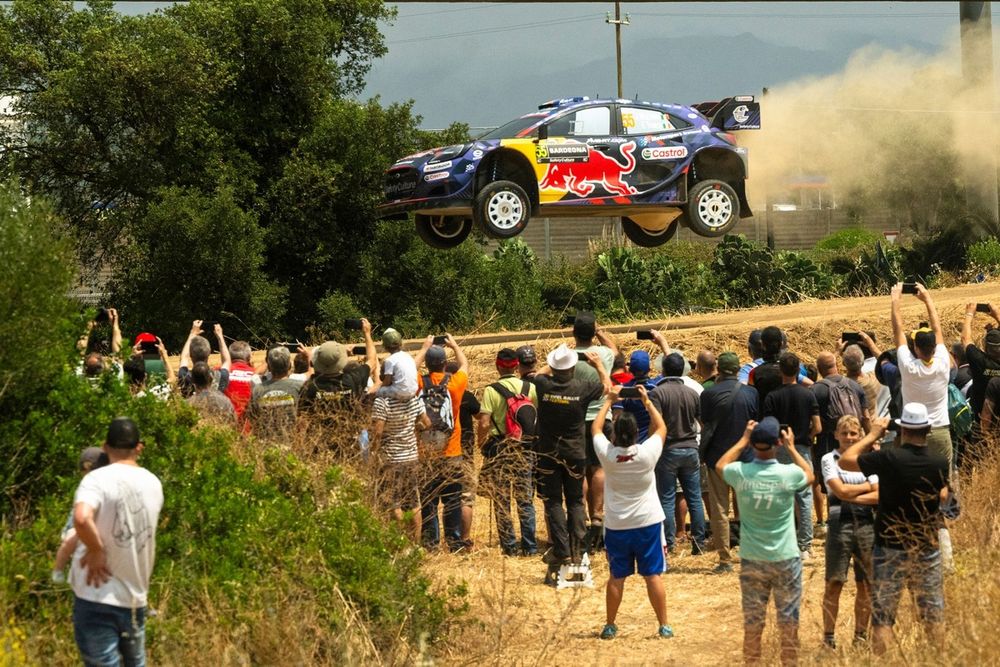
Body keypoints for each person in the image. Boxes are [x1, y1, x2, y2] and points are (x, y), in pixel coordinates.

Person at [839, 404, 949, 655]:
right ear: (928, 429)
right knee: (933, 613)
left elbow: (846, 460)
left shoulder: (889, 458)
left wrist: (872, 434)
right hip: (926, 546)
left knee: (884, 616)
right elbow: (944, 496)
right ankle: (939, 660)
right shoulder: (939, 461)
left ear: (902, 430)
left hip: (890, 545)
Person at [717, 417, 813, 666]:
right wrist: (792, 448)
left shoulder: (741, 473)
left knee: (753, 623)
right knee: (789, 623)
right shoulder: (788, 474)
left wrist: (743, 439)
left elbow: (721, 465)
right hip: (786, 557)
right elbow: (809, 476)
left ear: (754, 444)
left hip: (753, 558)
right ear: (778, 443)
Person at [70, 417, 163, 667]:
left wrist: (96, 549)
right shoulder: (154, 483)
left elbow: (80, 517)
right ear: (139, 447)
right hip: (135, 598)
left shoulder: (96, 480)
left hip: (95, 595)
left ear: (105, 446)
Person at [592, 386, 673, 640]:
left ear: (614, 433)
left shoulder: (608, 456)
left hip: (617, 524)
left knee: (616, 577)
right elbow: (661, 429)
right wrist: (647, 402)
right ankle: (663, 625)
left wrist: (609, 401)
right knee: (652, 576)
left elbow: (595, 429)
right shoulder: (647, 454)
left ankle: (610, 624)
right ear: (636, 433)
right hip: (647, 522)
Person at [533, 344, 608, 568]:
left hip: (548, 453)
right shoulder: (582, 388)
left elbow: (539, 373)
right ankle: (578, 551)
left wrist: (556, 361)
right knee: (575, 501)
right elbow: (607, 387)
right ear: (573, 368)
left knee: (553, 501)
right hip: (575, 452)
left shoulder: (542, 384)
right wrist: (598, 365)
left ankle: (561, 550)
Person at [820, 415, 882, 650]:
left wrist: (850, 492)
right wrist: (866, 487)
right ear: (836, 435)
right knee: (834, 582)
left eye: (853, 434)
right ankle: (828, 638)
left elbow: (878, 495)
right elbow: (837, 491)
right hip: (839, 525)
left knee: (865, 584)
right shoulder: (829, 459)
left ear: (860, 436)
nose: (848, 437)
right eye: (844, 433)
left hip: (867, 525)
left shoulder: (869, 459)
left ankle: (860, 637)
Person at [699, 351, 759, 573]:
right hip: (745, 458)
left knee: (720, 509)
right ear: (737, 369)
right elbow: (755, 421)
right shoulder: (751, 393)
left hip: (718, 460)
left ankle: (725, 560)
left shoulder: (708, 394)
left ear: (719, 370)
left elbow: (704, 423)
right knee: (746, 508)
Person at [477, 348, 539, 556]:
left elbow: (484, 423)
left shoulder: (491, 390)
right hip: (525, 448)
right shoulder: (529, 387)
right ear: (516, 366)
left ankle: (510, 547)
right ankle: (530, 547)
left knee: (502, 499)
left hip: (499, 448)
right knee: (525, 499)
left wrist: (481, 443)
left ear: (497, 365)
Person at [763, 352, 821, 559]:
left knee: (780, 498)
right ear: (799, 371)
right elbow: (818, 426)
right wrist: (807, 436)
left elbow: (769, 427)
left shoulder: (772, 396)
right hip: (802, 449)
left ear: (781, 371)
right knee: (804, 498)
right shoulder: (808, 394)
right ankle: (805, 545)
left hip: (779, 450)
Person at [648, 351, 706, 557]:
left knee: (667, 497)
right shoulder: (692, 393)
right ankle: (699, 543)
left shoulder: (657, 393)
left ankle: (669, 544)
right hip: (691, 448)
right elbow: (702, 423)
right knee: (695, 498)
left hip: (668, 449)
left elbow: (656, 424)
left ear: (663, 370)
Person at [414, 335, 469, 551]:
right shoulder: (454, 384)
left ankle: (431, 544)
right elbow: (464, 364)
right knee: (453, 500)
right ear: (445, 364)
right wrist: (454, 345)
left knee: (428, 501)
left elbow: (410, 369)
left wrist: (424, 347)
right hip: (452, 451)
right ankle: (454, 543)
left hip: (425, 454)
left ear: (428, 364)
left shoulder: (419, 382)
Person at [891, 283, 952, 463]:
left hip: (913, 432)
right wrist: (927, 299)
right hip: (940, 430)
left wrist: (895, 300)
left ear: (915, 348)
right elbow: (938, 329)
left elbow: (898, 331)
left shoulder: (909, 367)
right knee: (944, 482)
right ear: (935, 347)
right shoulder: (943, 362)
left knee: (912, 479)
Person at [570, 312, 617, 539]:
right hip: (601, 418)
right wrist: (600, 332)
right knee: (598, 468)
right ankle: (597, 515)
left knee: (579, 471)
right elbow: (615, 350)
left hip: (575, 418)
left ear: (573, 333)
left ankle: (581, 517)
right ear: (592, 333)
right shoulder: (604, 354)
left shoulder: (567, 356)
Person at [811, 351, 869, 531]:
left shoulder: (816, 389)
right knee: (855, 478)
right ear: (837, 365)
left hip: (827, 442)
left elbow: (814, 422)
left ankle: (834, 522)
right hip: (855, 440)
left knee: (831, 482)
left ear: (819, 369)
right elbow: (866, 416)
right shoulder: (854, 385)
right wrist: (870, 439)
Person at [370, 370, 430, 542]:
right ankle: (416, 543)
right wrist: (412, 429)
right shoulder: (413, 399)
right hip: (411, 457)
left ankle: (401, 542)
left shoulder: (382, 401)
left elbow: (378, 432)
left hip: (391, 459)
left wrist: (374, 451)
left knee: (394, 503)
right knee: (414, 501)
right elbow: (427, 424)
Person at [52, 447, 110, 584]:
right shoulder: (85, 486)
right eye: (86, 472)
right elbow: (80, 516)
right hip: (76, 523)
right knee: (69, 541)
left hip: (93, 520)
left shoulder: (106, 484)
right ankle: (58, 569)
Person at [247, 346, 303, 440]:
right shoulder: (300, 387)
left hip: (265, 444)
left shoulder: (258, 390)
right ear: (289, 366)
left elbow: (253, 419)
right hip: (293, 444)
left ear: (269, 366)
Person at [453, 362, 481, 549]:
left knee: (441, 499)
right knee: (466, 498)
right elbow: (480, 416)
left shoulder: (435, 394)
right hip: (466, 454)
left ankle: (442, 540)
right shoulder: (467, 396)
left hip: (442, 454)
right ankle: (465, 540)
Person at [960, 302, 1000, 419]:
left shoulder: (979, 360)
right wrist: (997, 314)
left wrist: (969, 314)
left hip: (980, 417)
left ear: (985, 347)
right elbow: (966, 339)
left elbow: (965, 339)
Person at [177, 320, 231, 398]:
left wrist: (192, 334)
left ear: (191, 355)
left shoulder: (185, 377)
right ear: (209, 354)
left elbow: (184, 358)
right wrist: (220, 336)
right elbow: (227, 361)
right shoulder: (219, 377)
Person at [377, 328, 418, 398]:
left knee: (379, 391)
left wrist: (379, 387)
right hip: (414, 390)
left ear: (386, 347)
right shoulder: (407, 356)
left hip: (400, 392)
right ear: (400, 344)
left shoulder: (389, 360)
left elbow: (387, 382)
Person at [224, 340, 257, 424]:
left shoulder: (220, 372)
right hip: (248, 426)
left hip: (224, 426)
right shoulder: (255, 375)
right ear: (249, 357)